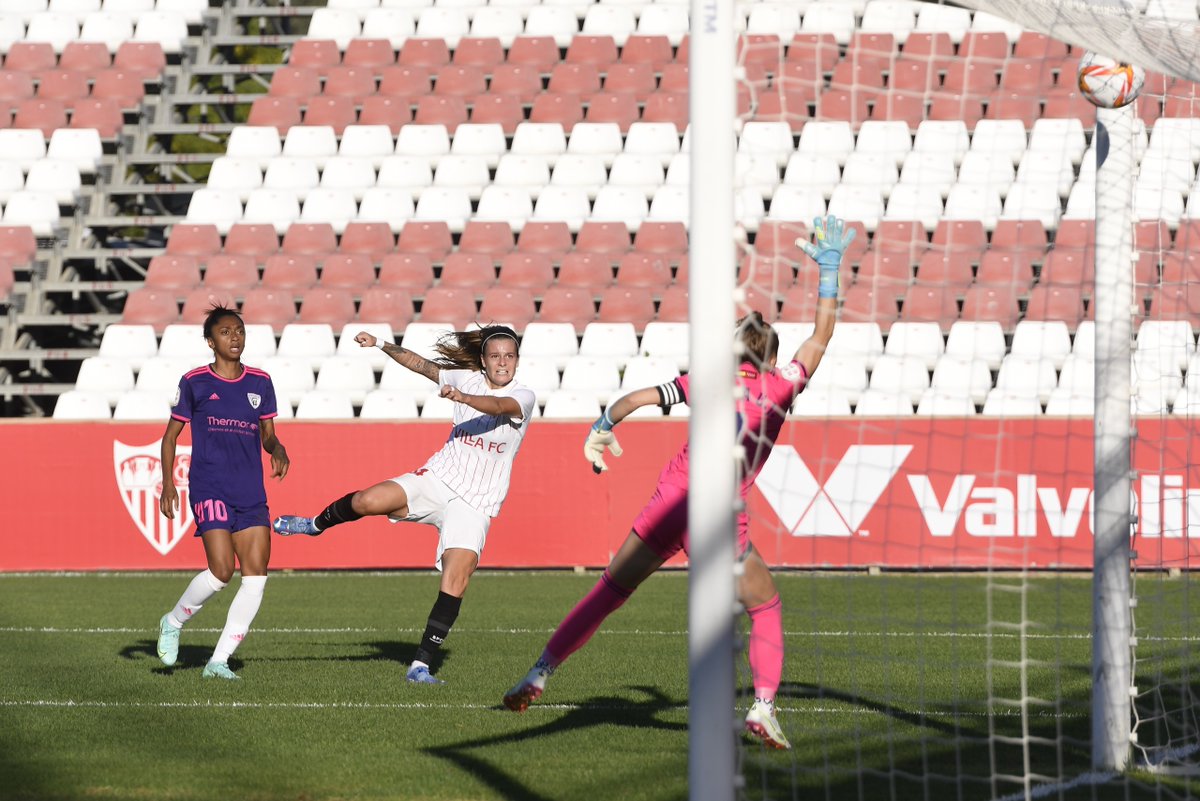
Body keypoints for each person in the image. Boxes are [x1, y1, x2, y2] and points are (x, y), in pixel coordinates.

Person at [502, 215, 857, 750]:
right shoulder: (782, 388)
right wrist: (829, 274)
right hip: (717, 514)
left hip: (670, 503)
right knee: (764, 606)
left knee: (608, 592)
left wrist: (602, 428)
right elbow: (822, 335)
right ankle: (762, 706)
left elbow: (636, 398)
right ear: (772, 357)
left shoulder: (705, 380)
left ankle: (540, 672)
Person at [272, 325, 537, 685]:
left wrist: (462, 398)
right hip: (438, 478)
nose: (503, 362)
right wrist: (381, 344)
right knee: (368, 500)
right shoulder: (467, 378)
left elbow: (499, 406)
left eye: (509, 356)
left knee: (456, 577)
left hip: (475, 502)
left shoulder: (523, 395)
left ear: (517, 360)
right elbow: (421, 365)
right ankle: (315, 525)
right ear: (484, 361)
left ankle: (420, 665)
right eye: (495, 356)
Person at [156, 305, 290, 680]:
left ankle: (218, 661)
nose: (235, 338)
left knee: (256, 576)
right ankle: (173, 620)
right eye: (227, 332)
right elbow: (170, 438)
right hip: (208, 486)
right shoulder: (195, 382)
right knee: (221, 570)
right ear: (210, 341)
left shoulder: (260, 382)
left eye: (240, 331)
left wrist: (276, 448)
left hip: (249, 491)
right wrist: (168, 484)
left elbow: (267, 433)